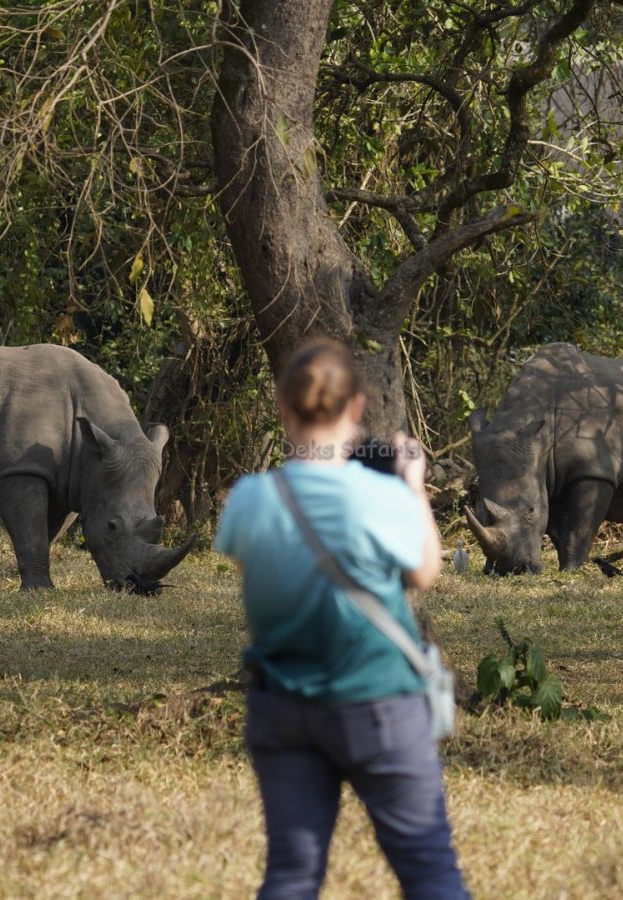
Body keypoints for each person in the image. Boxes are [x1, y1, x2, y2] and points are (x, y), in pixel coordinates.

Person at [214, 340, 468, 900]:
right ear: (356, 408)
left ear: (283, 407)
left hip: (282, 706)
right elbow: (425, 571)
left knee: (291, 875)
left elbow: (249, 565)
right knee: (429, 871)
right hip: (380, 707)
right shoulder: (382, 496)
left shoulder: (250, 498)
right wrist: (412, 486)